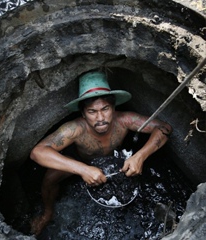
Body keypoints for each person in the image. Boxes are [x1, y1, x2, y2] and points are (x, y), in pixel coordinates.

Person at [30, 71, 172, 235]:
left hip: (112, 160)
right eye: (92, 112)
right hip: (79, 160)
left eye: (105, 109)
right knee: (50, 178)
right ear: (83, 113)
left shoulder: (125, 120)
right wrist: (83, 169)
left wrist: (140, 156)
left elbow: (164, 128)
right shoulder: (75, 128)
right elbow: (38, 152)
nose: (100, 117)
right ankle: (48, 212)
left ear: (113, 107)